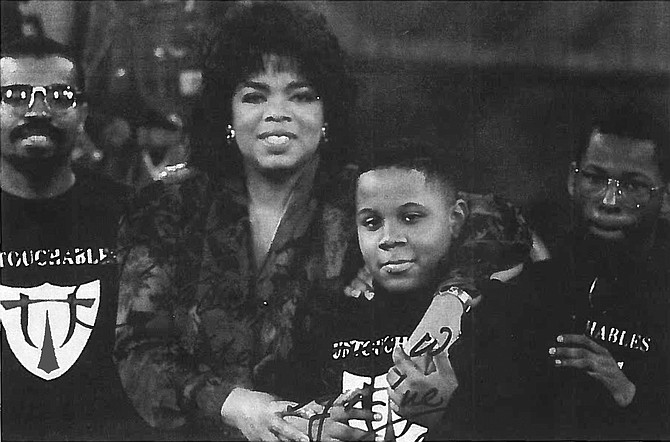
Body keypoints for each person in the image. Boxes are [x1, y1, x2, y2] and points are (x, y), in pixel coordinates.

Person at [115, 2, 365, 440]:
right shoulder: (169, 205)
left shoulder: (368, 200)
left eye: (301, 95)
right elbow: (140, 350)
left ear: (328, 116)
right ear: (227, 115)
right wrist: (233, 404)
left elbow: (495, 228)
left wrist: (452, 299)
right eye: (255, 96)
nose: (277, 112)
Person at [290, 139, 534, 441]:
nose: (389, 238)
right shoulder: (327, 314)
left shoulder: (493, 316)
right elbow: (291, 411)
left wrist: (450, 413)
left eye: (410, 217)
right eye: (371, 222)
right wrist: (308, 424)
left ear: (455, 219)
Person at [0, 35, 153, 440]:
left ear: (82, 112)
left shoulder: (133, 213)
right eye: (15, 95)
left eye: (60, 95)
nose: (38, 110)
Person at [497, 98, 670, 440]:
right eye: (595, 178)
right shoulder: (532, 287)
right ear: (572, 181)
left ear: (665, 198)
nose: (609, 200)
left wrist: (627, 394)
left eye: (632, 186)